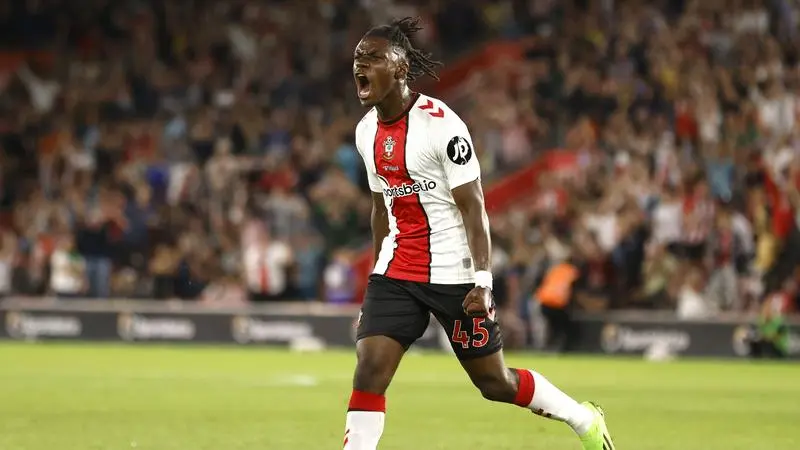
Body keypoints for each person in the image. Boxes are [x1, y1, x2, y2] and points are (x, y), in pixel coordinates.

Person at [343, 18, 615, 450]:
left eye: (373, 57)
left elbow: (474, 207)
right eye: (358, 57)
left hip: (454, 274)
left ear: (400, 68)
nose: (360, 64)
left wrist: (483, 282)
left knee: (495, 383)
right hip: (397, 272)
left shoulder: (441, 126)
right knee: (369, 369)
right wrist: (374, 281)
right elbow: (381, 209)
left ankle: (583, 419)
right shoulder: (365, 132)